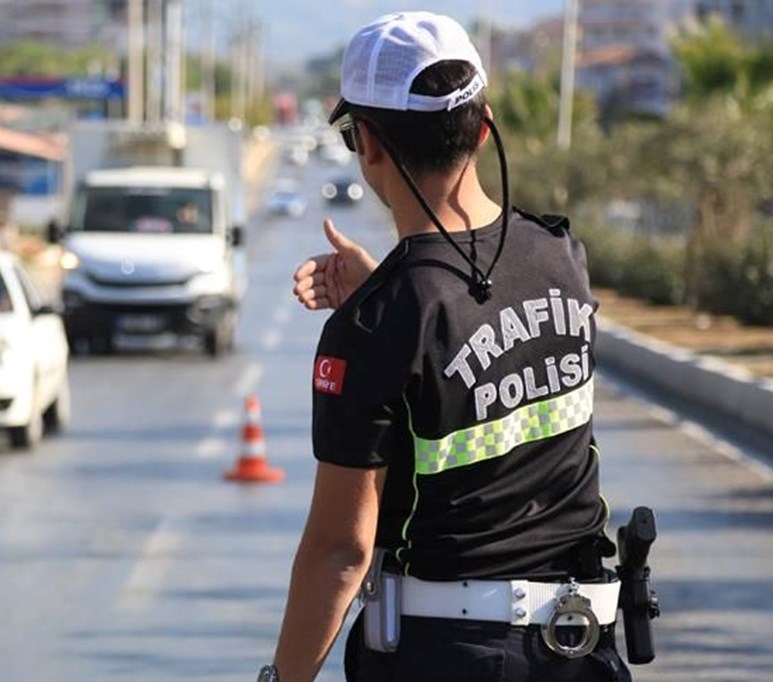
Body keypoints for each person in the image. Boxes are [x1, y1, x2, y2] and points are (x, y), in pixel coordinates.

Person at [260, 12, 634, 682]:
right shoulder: (561, 258)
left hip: (444, 656)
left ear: (368, 142)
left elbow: (341, 553)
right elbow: (489, 339)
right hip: (582, 652)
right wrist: (385, 289)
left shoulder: (379, 325)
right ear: (484, 127)